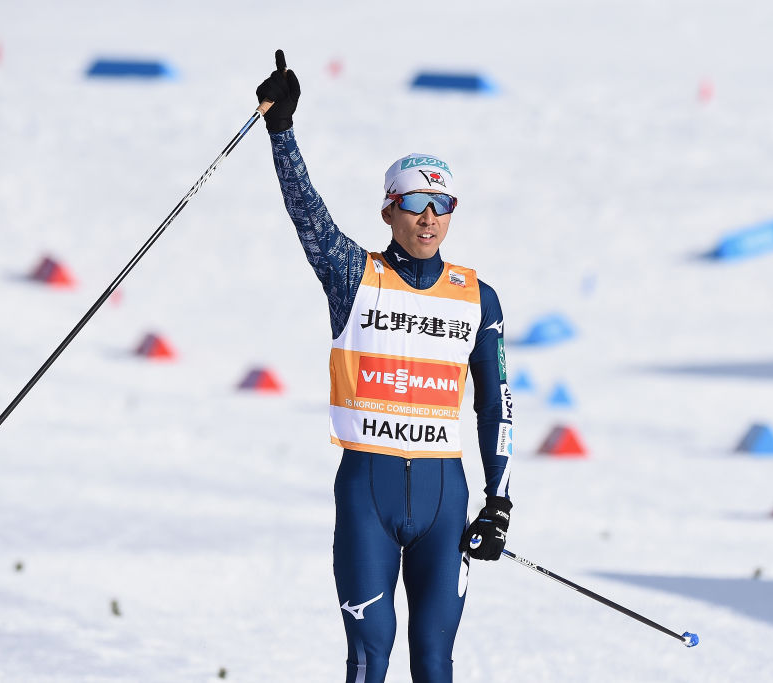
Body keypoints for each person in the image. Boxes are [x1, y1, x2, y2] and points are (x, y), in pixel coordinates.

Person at [257, 51, 514, 683]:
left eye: (442, 203)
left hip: (443, 501)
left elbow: (496, 405)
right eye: (415, 202)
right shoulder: (354, 277)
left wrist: (499, 502)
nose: (429, 217)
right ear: (388, 210)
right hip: (367, 495)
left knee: (434, 663)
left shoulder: (477, 297)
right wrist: (281, 132)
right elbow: (307, 215)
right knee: (370, 656)